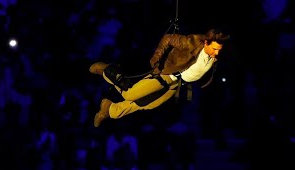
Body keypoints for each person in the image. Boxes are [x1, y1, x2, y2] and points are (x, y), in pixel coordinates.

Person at [89, 28, 230, 127]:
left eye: (219, 50)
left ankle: (110, 109)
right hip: (166, 75)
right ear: (206, 43)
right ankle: (107, 70)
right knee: (129, 94)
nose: (216, 53)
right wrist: (157, 56)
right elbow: (168, 38)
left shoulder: (214, 56)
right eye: (214, 49)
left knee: (146, 104)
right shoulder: (191, 42)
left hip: (176, 84)